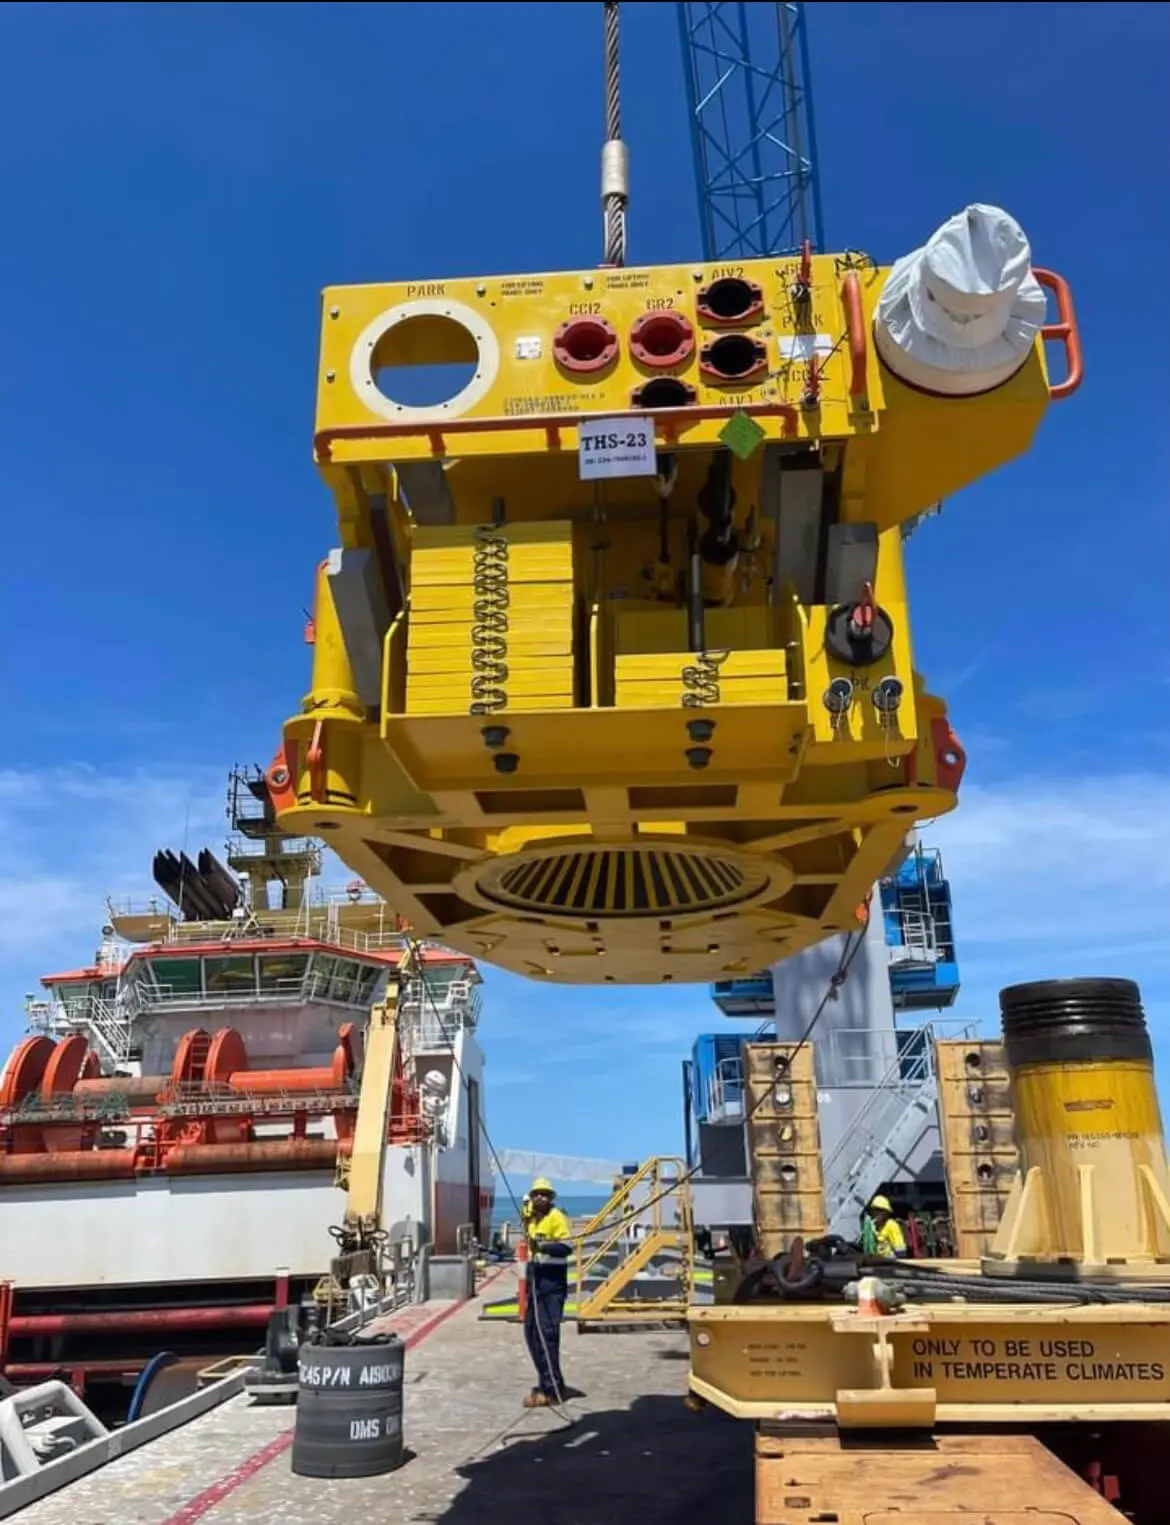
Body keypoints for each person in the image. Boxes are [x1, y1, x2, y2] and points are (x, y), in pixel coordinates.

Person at [521, 1177, 573, 1407]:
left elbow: (567, 1247)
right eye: (536, 1194)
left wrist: (542, 1246)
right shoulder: (532, 1218)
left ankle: (553, 1389)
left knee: (547, 1335)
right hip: (536, 1279)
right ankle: (545, 1381)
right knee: (532, 1333)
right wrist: (527, 1209)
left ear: (551, 1198)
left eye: (545, 1194)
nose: (541, 1197)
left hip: (552, 1282)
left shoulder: (556, 1217)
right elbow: (525, 1213)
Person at [866, 1194, 908, 1260]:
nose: (877, 1212)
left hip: (891, 1263)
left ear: (886, 1212)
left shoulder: (891, 1225)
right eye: (875, 1210)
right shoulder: (873, 1226)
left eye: (880, 1210)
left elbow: (901, 1252)